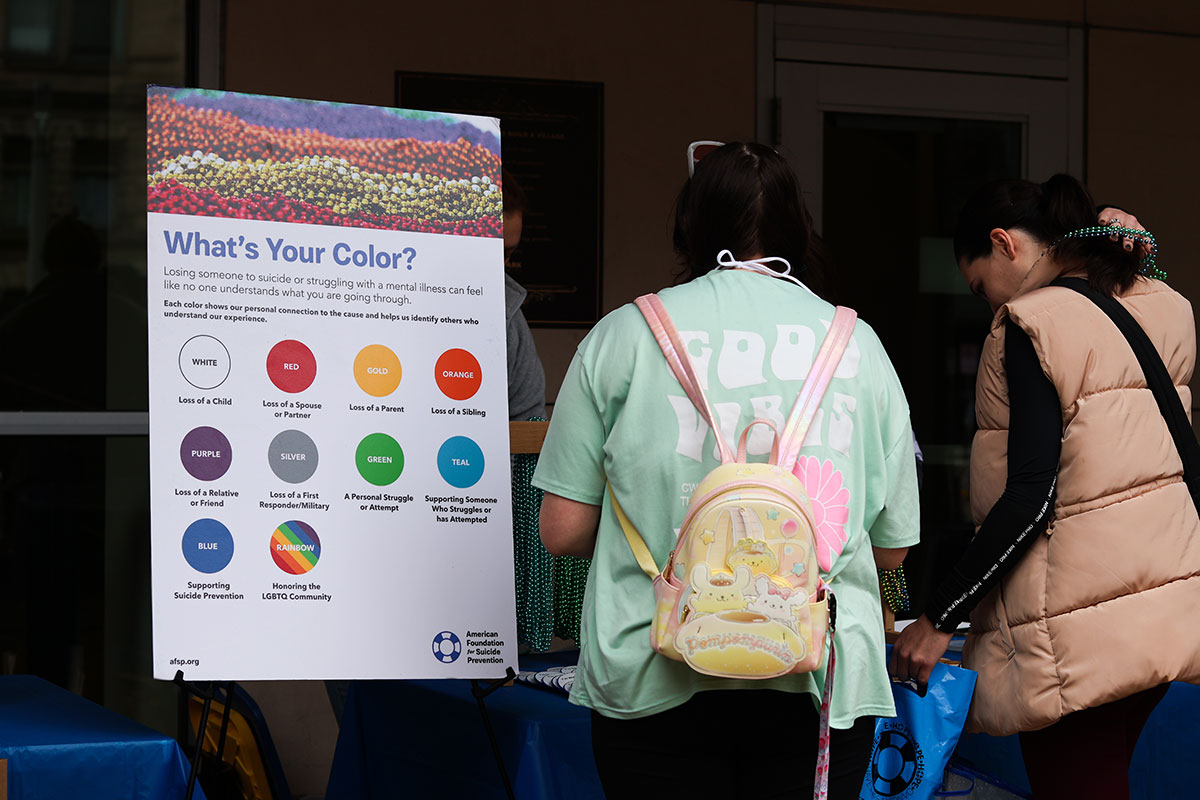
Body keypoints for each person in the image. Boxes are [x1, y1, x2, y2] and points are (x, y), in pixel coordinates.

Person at [533, 142, 920, 797]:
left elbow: (562, 531)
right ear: (798, 228)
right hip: (816, 676)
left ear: (691, 225)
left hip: (652, 671)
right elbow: (893, 552)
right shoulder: (858, 345)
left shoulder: (623, 336)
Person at [892, 175, 1200, 799]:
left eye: (979, 286)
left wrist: (939, 618)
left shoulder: (1030, 323)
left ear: (1004, 243)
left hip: (1079, 631)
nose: (986, 304)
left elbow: (1030, 498)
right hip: (1164, 613)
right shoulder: (1163, 302)